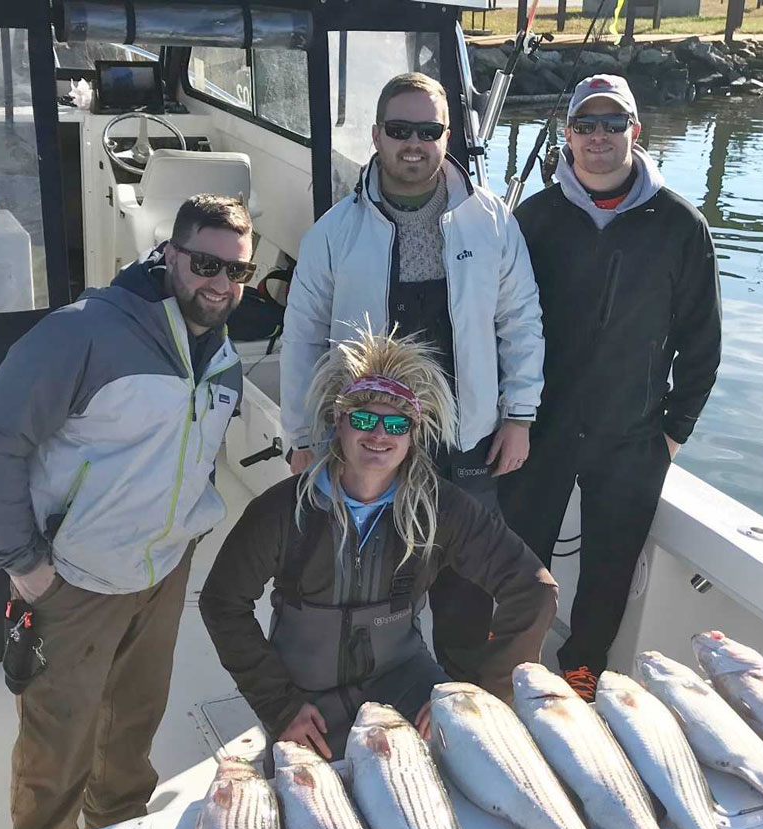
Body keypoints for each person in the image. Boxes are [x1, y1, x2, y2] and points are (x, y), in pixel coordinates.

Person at [0, 194, 253, 829]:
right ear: (171, 255)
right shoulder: (82, 334)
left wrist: (185, 535)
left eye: (236, 272)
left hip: (160, 577)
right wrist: (23, 562)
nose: (219, 284)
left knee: (132, 729)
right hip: (72, 578)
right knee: (55, 751)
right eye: (206, 264)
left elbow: (197, 459)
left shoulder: (223, 359)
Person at [279, 71, 545, 678]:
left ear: (448, 137)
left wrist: (520, 415)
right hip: (368, 436)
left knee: (466, 589)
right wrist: (301, 438)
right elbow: (303, 342)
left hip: (465, 437)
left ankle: (462, 699)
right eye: (400, 130)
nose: (414, 144)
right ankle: (371, 695)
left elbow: (520, 322)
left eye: (429, 131)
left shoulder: (493, 223)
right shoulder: (332, 234)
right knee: (370, 583)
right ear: (375, 136)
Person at [201, 331, 557, 762]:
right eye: (365, 419)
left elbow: (533, 588)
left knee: (471, 766)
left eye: (396, 424)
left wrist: (476, 697)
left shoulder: (441, 508)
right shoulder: (281, 511)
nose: (379, 436)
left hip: (404, 680)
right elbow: (222, 601)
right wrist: (279, 706)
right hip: (305, 700)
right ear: (339, 420)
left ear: (413, 433)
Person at [500, 75, 722, 701]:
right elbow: (500, 326)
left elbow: (702, 343)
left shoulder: (681, 225)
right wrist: (508, 415)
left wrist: (674, 433)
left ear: (635, 130)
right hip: (539, 429)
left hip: (633, 436)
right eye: (586, 124)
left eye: (612, 123)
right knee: (520, 562)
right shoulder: (534, 220)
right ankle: (512, 667)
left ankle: (581, 673)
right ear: (567, 135)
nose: (599, 136)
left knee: (609, 570)